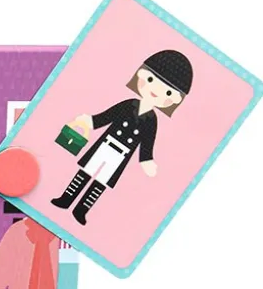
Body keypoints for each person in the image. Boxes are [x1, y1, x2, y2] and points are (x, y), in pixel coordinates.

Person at [51, 49, 193, 225]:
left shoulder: (151, 120)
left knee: (101, 183)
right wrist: (90, 121)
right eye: (151, 80)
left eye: (168, 93)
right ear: (142, 75)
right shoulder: (128, 104)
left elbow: (147, 143)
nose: (156, 91)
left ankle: (81, 209)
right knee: (85, 172)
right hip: (105, 145)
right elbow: (107, 117)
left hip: (121, 155)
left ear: (174, 99)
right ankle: (66, 199)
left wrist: (146, 160)